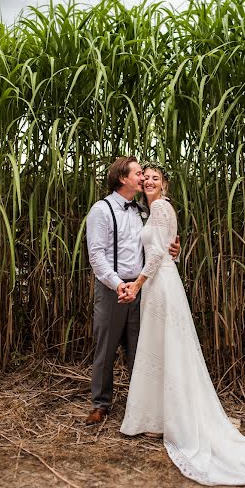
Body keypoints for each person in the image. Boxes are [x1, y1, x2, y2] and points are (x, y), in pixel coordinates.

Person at [119, 162, 245, 486]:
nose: (150, 182)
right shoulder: (156, 209)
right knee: (160, 348)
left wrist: (138, 284)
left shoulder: (159, 208)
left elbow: (157, 255)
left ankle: (172, 419)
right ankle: (159, 416)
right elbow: (167, 248)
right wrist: (171, 254)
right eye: (147, 178)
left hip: (158, 284)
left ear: (165, 184)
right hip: (161, 283)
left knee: (166, 347)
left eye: (157, 178)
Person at [85, 156, 180, 425]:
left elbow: (159, 245)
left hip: (144, 288)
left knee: (140, 349)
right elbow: (96, 255)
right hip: (112, 288)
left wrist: (176, 251)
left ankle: (138, 406)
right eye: (139, 173)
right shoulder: (101, 211)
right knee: (106, 347)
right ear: (123, 178)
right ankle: (100, 404)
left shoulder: (145, 209)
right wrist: (119, 285)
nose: (143, 178)